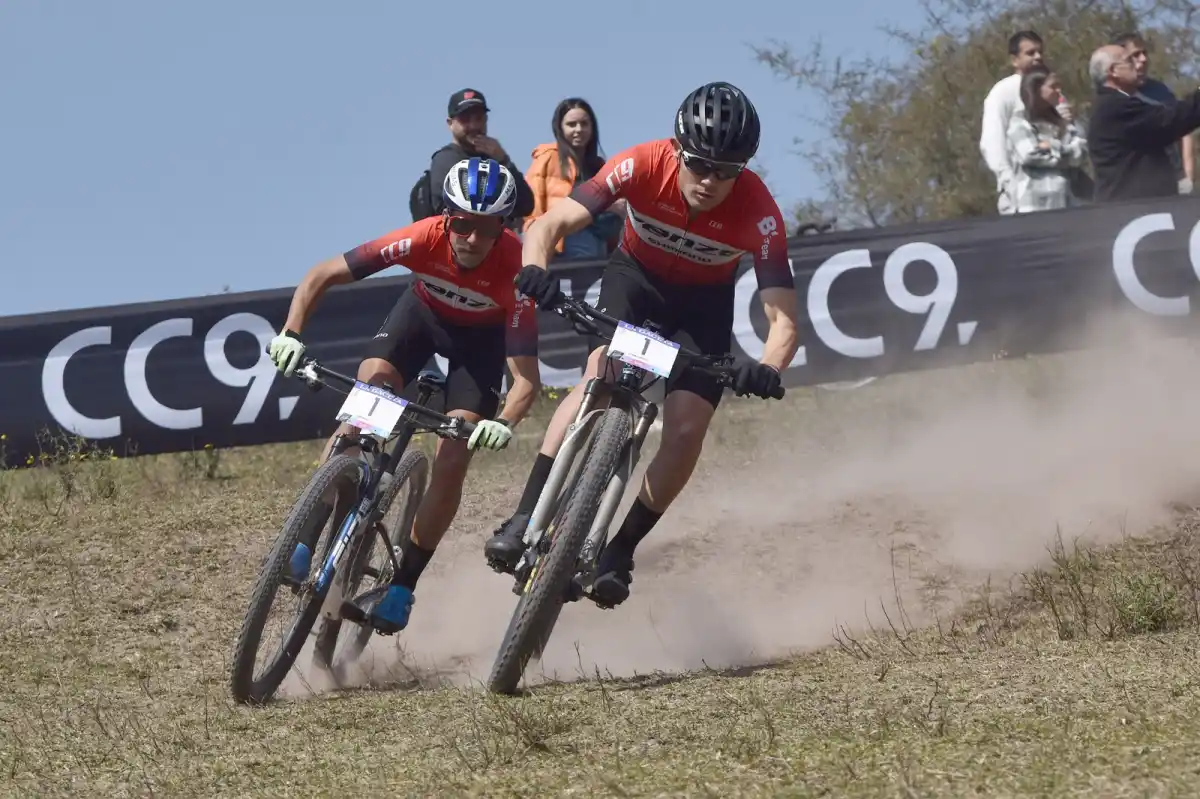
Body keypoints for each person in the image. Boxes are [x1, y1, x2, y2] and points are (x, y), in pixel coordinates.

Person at [484, 81, 800, 607]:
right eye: (699, 164)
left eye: (727, 171)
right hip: (636, 282)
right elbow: (550, 223)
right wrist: (535, 269)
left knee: (685, 428)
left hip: (703, 308)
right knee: (598, 378)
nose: (710, 181)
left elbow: (783, 318)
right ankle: (525, 515)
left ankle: (620, 552)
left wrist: (767, 366)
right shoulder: (640, 165)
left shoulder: (759, 212)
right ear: (676, 150)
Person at [267, 158, 542, 634]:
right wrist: (290, 332)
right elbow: (321, 275)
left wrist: (505, 422)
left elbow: (525, 380)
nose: (472, 239)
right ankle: (305, 540)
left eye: (487, 229)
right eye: (461, 225)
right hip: (420, 320)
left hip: (479, 348)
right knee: (364, 402)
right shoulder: (421, 238)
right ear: (445, 216)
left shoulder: (517, 271)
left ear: (504, 228)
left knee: (453, 454)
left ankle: (403, 586)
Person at [1087, 45, 1200, 203]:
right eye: (1129, 60)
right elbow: (1170, 120)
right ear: (1113, 71)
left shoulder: (1115, 104)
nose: (1138, 63)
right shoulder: (1115, 107)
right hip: (1129, 209)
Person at [415, 89, 536, 228]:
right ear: (450, 123)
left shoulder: (494, 158)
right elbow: (464, 209)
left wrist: (503, 160)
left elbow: (526, 205)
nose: (473, 126)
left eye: (479, 118)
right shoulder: (445, 159)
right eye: (465, 119)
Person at [523, 98, 625, 259]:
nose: (579, 129)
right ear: (560, 128)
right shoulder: (548, 157)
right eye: (571, 124)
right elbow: (532, 206)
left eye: (584, 124)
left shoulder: (599, 166)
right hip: (563, 244)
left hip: (601, 244)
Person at [1111, 32, 1196, 195]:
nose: (1143, 59)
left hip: (1175, 179)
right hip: (1139, 189)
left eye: (1144, 53)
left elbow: (1184, 129)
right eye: (1135, 55)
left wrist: (1188, 174)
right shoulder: (1115, 100)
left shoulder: (1160, 90)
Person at [979, 30, 1048, 214]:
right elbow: (992, 141)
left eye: (1040, 52)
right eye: (1030, 53)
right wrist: (1009, 183)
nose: (1038, 57)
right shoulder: (1004, 91)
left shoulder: (1050, 90)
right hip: (1023, 196)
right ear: (1014, 60)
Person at [1006, 68, 1089, 212]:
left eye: (1059, 86)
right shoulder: (1019, 122)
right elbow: (1030, 155)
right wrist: (1066, 155)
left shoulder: (1064, 121)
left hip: (1068, 201)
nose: (1058, 91)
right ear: (1036, 90)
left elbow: (1082, 152)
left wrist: (1051, 145)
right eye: (1053, 86)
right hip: (1035, 205)